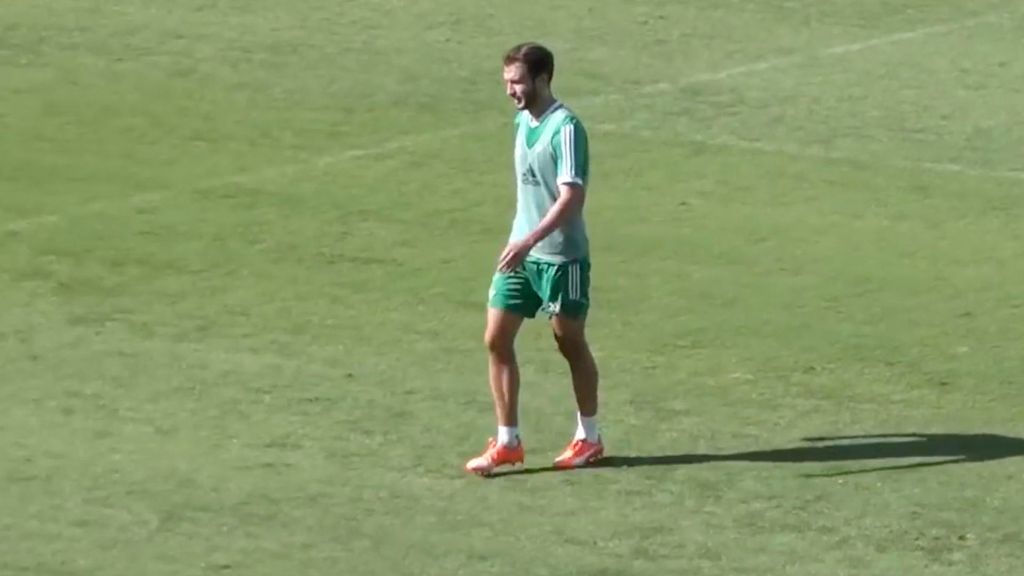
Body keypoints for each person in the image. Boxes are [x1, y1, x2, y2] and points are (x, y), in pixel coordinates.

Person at [465, 42, 603, 475]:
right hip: (521, 253)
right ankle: (508, 441)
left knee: (569, 342)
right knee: (495, 337)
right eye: (507, 81)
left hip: (561, 258)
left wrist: (531, 240)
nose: (510, 90)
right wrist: (520, 242)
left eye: (518, 81)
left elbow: (571, 197)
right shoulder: (521, 121)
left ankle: (590, 436)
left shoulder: (566, 127)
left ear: (543, 79)